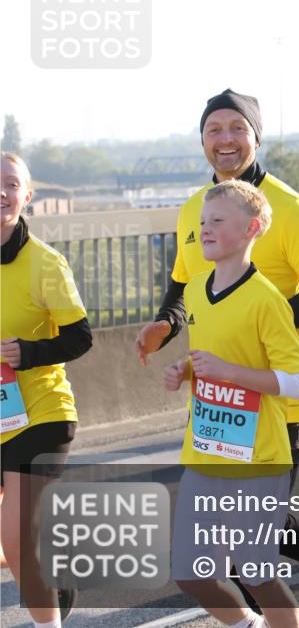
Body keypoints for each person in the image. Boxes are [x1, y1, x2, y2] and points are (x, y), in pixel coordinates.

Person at [133, 89, 299, 627]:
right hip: (217, 401)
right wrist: (166, 324)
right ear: (202, 140)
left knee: (248, 546)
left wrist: (258, 320)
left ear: (256, 136)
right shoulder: (196, 209)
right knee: (243, 535)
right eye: (214, 129)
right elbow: (183, 285)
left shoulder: (289, 208)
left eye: (237, 128)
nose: (225, 139)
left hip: (276, 397)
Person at [166, 180, 299, 628]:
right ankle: (249, 624)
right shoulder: (194, 291)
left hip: (257, 459)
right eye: (203, 221)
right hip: (205, 452)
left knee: (255, 573)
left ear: (252, 228)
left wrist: (229, 372)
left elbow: (295, 382)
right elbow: (211, 353)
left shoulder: (268, 299)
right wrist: (185, 370)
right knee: (190, 573)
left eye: (218, 220)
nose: (205, 229)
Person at [1, 152, 92, 627]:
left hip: (40, 412)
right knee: (16, 539)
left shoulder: (45, 263)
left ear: (27, 196)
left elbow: (80, 337)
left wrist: (28, 352)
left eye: (11, 184)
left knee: (15, 536)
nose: (1, 192)